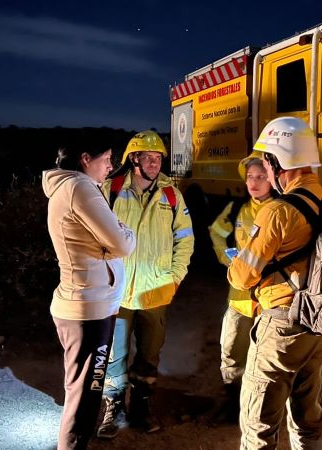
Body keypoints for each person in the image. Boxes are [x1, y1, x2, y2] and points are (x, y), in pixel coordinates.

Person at [228, 116, 322, 449]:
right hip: (320, 325)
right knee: (306, 412)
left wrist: (235, 263)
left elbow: (243, 276)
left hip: (283, 324)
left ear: (276, 162)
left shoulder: (276, 211)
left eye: (266, 162)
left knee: (259, 421)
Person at [97, 130, 194, 437]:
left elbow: (186, 240)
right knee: (115, 353)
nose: (154, 163)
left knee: (149, 356)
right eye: (148, 158)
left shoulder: (171, 195)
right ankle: (112, 408)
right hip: (118, 293)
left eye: (158, 158)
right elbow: (93, 236)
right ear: (133, 159)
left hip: (156, 292)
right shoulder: (110, 190)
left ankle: (141, 406)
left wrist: (175, 278)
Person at [42, 145, 136, 450]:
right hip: (87, 309)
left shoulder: (74, 187)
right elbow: (122, 242)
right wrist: (122, 235)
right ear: (85, 159)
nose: (111, 166)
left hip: (89, 303)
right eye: (106, 159)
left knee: (84, 392)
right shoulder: (80, 188)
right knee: (85, 395)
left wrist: (110, 241)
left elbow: (107, 240)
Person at [208, 153, 275, 423]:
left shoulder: (282, 210)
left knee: (266, 357)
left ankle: (262, 410)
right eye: (250, 177)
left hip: (271, 301)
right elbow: (216, 232)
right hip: (238, 298)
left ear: (272, 179)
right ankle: (231, 402)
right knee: (232, 349)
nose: (254, 182)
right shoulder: (237, 209)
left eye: (261, 177)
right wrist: (229, 260)